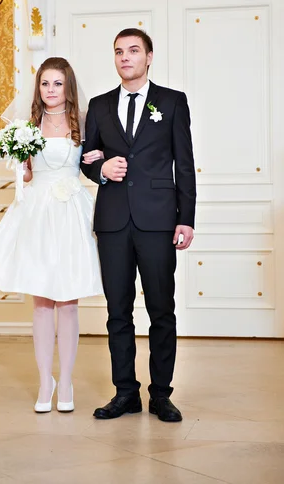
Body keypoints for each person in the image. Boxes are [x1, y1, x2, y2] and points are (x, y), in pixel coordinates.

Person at [81, 28, 196, 422]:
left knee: (162, 308)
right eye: (118, 51)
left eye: (133, 51)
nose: (125, 57)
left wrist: (187, 219)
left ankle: (161, 394)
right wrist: (100, 169)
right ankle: (125, 392)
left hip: (158, 220)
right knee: (118, 312)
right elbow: (87, 159)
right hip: (113, 222)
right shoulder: (98, 106)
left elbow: (184, 163)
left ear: (149, 57)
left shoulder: (172, 102)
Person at [0, 57, 104, 413]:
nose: (50, 90)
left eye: (57, 84)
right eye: (45, 84)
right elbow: (29, 176)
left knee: (67, 301)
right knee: (41, 302)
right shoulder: (28, 125)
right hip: (37, 212)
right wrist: (20, 163)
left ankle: (65, 381)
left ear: (68, 87)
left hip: (70, 212)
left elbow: (92, 163)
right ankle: (43, 380)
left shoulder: (83, 122)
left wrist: (96, 156)